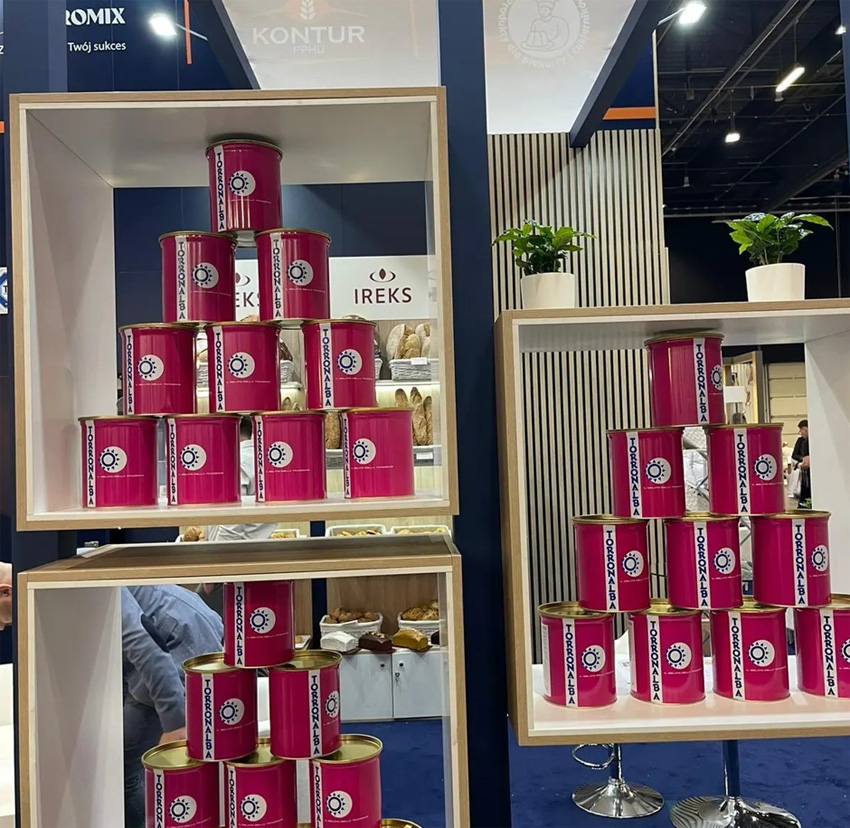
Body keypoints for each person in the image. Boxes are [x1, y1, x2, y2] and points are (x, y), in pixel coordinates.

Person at [122, 585, 223, 827]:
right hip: (183, 619)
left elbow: (143, 644)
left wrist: (175, 722)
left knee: (125, 765)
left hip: (179, 635)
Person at [792, 419, 811, 508]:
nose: (800, 433)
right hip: (804, 469)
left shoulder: (811, 441)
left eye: (801, 430)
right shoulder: (801, 441)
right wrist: (802, 458)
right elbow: (794, 455)